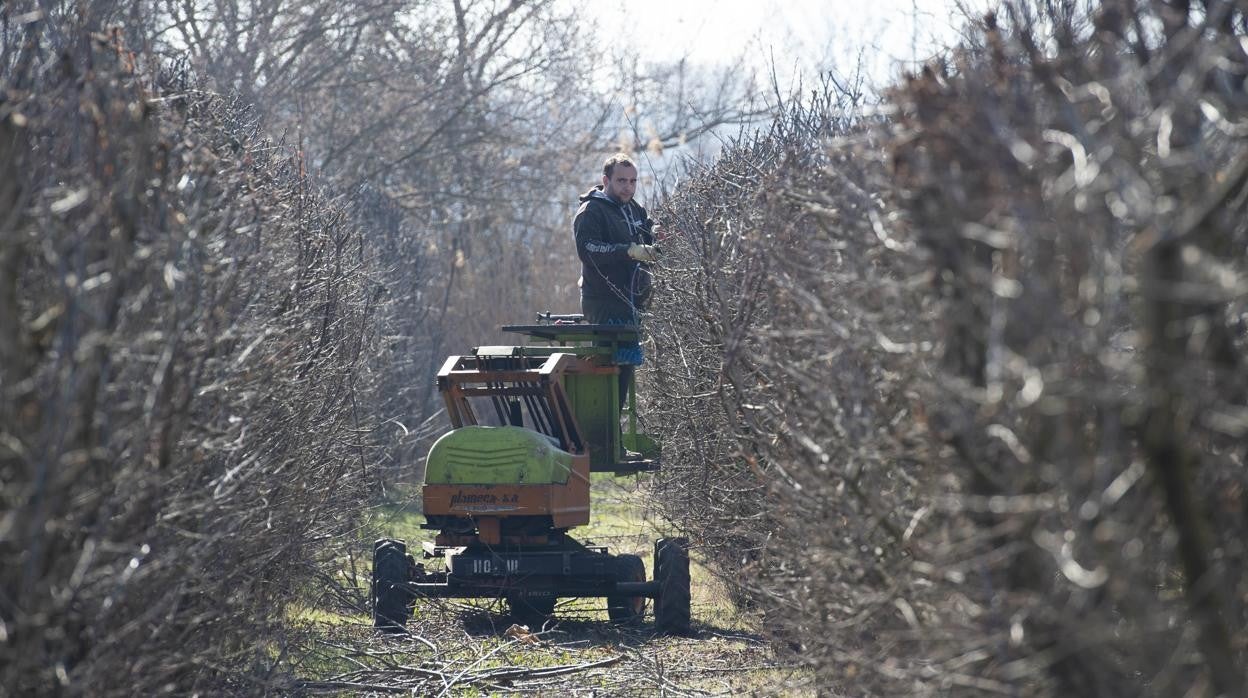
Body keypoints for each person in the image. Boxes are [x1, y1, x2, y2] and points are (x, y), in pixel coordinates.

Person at [573, 153, 658, 409]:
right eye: (621, 181)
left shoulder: (634, 208)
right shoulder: (591, 211)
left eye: (633, 181)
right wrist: (627, 251)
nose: (628, 187)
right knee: (609, 370)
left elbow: (648, 233)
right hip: (603, 301)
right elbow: (588, 250)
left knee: (625, 371)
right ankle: (604, 436)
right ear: (605, 180)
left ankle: (613, 434)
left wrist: (656, 233)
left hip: (631, 302)